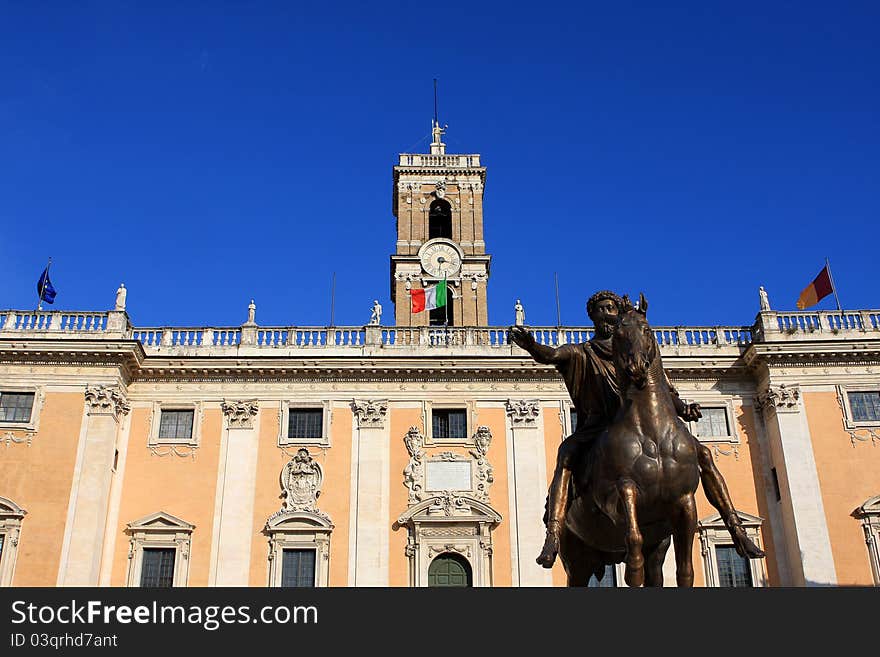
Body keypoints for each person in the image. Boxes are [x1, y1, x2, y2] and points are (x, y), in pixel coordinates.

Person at [510, 290, 764, 568]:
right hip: (597, 427)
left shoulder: (637, 348)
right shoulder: (582, 351)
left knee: (702, 454)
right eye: (600, 309)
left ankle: (735, 527)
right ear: (592, 316)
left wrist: (684, 409)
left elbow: (664, 392)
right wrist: (532, 345)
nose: (605, 313)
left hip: (641, 423)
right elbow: (552, 354)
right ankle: (553, 534)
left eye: (610, 308)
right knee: (566, 453)